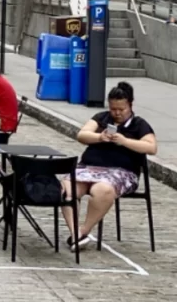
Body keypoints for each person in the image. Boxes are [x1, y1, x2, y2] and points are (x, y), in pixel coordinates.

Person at [61, 82, 157, 248]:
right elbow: (82, 135)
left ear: (130, 106)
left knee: (102, 190)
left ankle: (84, 230)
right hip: (89, 167)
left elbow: (151, 147)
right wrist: (99, 137)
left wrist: (125, 141)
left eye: (121, 109)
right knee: (66, 189)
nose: (117, 113)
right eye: (113, 109)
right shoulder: (102, 118)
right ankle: (75, 232)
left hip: (122, 171)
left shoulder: (139, 124)